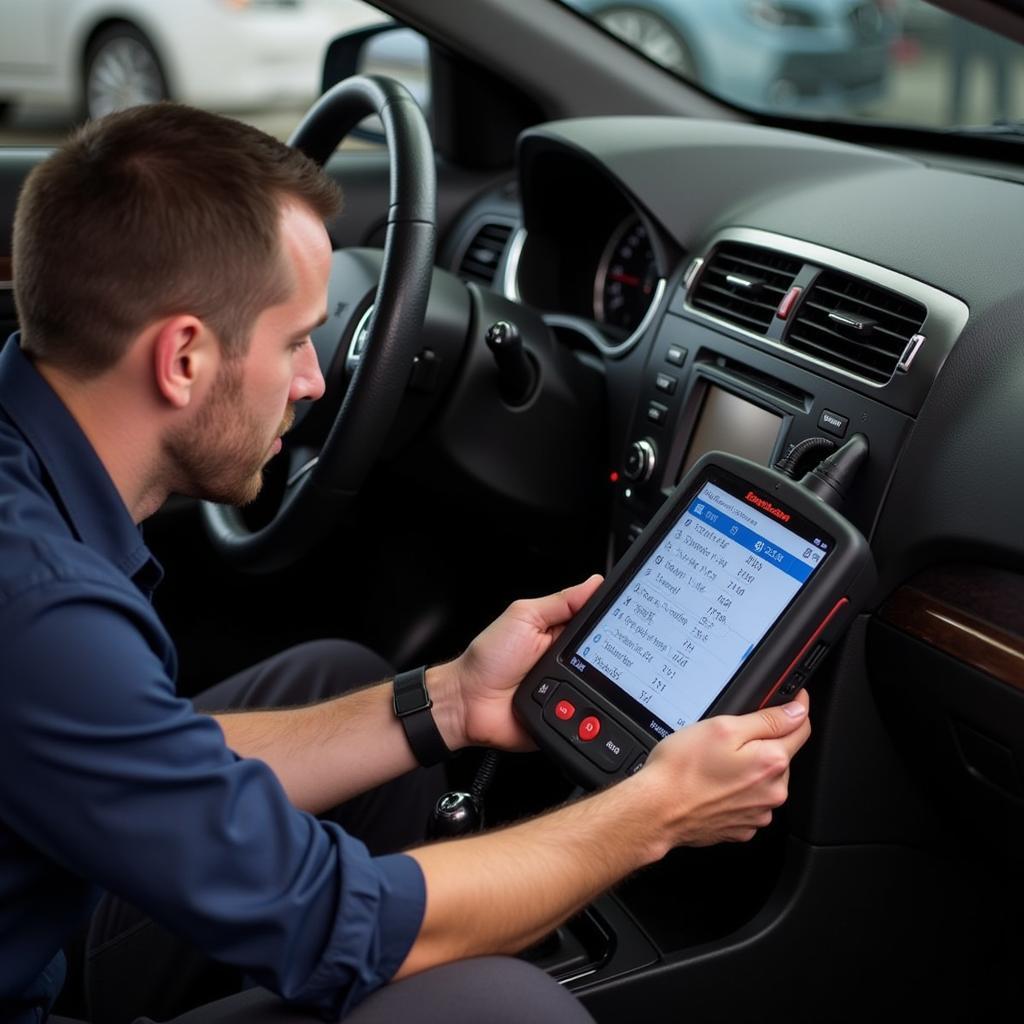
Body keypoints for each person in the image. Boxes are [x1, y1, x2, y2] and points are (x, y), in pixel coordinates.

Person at [0, 103, 812, 1024]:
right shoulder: (36, 604)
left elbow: (139, 754)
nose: (314, 379)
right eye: (296, 339)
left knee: (357, 687)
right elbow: (336, 923)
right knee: (507, 1009)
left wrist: (455, 700)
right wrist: (652, 813)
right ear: (183, 357)